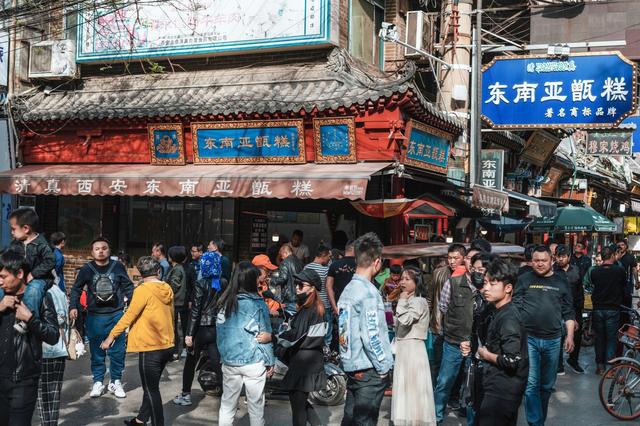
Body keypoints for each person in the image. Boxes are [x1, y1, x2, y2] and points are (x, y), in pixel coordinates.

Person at [101, 256, 175, 426]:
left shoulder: (142, 290)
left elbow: (129, 315)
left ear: (141, 274)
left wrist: (111, 337)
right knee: (152, 386)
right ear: (158, 272)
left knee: (151, 390)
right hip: (167, 344)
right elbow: (171, 316)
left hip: (150, 347)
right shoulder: (167, 288)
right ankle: (140, 420)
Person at [513, 245, 575, 426]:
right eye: (536, 260)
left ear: (552, 261)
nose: (539, 264)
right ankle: (536, 423)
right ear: (531, 261)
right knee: (531, 385)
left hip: (553, 340)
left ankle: (539, 419)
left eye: (543, 260)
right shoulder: (523, 279)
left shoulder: (561, 282)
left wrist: (569, 336)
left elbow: (568, 311)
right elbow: (515, 308)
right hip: (528, 339)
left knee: (546, 386)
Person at [338, 232, 393, 426]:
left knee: (351, 419)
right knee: (364, 421)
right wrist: (383, 366)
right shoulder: (369, 293)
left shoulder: (348, 289)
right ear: (377, 262)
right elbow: (372, 335)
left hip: (352, 365)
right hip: (368, 368)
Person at [69, 237, 134, 399]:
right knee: (97, 352)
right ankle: (98, 381)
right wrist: (73, 307)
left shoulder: (118, 267)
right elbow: (76, 289)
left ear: (109, 251)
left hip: (116, 315)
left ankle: (116, 381)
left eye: (104, 248)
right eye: (97, 248)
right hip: (94, 317)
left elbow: (128, 287)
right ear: (92, 252)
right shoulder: (86, 269)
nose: (101, 251)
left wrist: (133, 309)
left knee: (117, 352)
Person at [0, 249, 59, 426]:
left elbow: (53, 336)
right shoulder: (1, 299)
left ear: (19, 274)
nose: (0, 282)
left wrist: (31, 319)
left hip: (23, 381)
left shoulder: (41, 298)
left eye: (3, 276)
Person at [216, 262, 274, 426]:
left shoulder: (224, 302)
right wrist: (270, 361)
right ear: (250, 280)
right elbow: (265, 335)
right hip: (253, 361)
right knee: (256, 407)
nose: (259, 281)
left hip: (229, 361)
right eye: (257, 278)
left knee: (228, 405)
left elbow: (220, 335)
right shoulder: (258, 303)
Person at [476, 259, 528, 426]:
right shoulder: (496, 310)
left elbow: (512, 360)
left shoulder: (509, 318)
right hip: (497, 385)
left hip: (502, 390)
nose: (486, 288)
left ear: (508, 288)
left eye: (493, 284)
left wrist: (485, 354)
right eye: (485, 283)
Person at [434, 247, 482, 424]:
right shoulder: (453, 283)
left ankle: (470, 418)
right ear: (466, 261)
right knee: (444, 381)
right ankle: (437, 416)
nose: (472, 263)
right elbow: (443, 307)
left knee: (471, 386)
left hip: (476, 346)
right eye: (469, 259)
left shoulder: (487, 286)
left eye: (476, 260)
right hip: (453, 342)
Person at [274, 269, 327, 426]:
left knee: (298, 406)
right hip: (305, 360)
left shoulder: (312, 309)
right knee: (300, 403)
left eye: (301, 285)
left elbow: (297, 337)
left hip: (305, 363)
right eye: (296, 284)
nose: (297, 287)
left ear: (312, 288)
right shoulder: (309, 308)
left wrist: (273, 337)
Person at [174, 250, 225, 406]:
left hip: (201, 330)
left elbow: (196, 310)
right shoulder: (223, 283)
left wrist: (189, 334)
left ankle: (185, 395)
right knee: (218, 364)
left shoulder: (200, 283)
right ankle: (229, 397)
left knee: (190, 361)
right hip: (216, 328)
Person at [391, 266, 436, 426]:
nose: (402, 282)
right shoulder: (409, 300)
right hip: (405, 348)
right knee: (406, 388)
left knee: (413, 389)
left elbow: (406, 320)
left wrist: (402, 300)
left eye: (407, 279)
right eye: (402, 278)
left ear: (417, 282)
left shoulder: (418, 301)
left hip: (413, 349)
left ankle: (415, 421)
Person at [6, 208, 55, 332]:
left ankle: (27, 320)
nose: (11, 232)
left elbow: (50, 261)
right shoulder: (15, 244)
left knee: (33, 290)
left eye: (13, 229)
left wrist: (34, 273)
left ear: (26, 229)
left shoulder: (41, 244)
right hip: (21, 277)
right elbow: (9, 258)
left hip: (40, 279)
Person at [428, 243, 466, 388]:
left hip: (458, 328)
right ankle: (436, 393)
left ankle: (453, 396)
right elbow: (430, 299)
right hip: (439, 325)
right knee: (437, 362)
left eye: (456, 258)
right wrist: (429, 321)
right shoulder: (438, 273)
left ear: (463, 258)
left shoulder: (466, 274)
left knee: (456, 365)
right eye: (450, 258)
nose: (452, 261)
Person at [37, 282, 69, 426]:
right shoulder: (58, 290)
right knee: (54, 394)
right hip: (60, 347)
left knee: (43, 395)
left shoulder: (42, 291)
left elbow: (60, 317)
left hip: (46, 348)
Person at [590, 246, 626, 374]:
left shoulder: (595, 272)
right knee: (611, 339)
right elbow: (623, 286)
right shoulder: (620, 271)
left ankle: (600, 367)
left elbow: (593, 284)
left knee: (599, 338)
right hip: (613, 309)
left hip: (598, 308)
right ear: (612, 256)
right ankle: (610, 369)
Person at [554, 244, 584, 374]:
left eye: (563, 256)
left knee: (576, 337)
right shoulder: (552, 271)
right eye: (558, 256)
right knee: (558, 338)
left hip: (575, 309)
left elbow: (579, 292)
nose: (560, 259)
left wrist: (578, 313)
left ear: (569, 257)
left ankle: (573, 361)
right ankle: (558, 365)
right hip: (557, 310)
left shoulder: (576, 270)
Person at [302, 243, 332, 348]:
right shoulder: (326, 269)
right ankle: (326, 351)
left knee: (312, 329)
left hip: (310, 303)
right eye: (329, 257)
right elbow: (328, 287)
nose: (329, 259)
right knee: (327, 331)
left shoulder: (306, 267)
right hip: (324, 304)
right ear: (323, 256)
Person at [166, 246, 188, 361]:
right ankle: (175, 351)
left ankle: (174, 352)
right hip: (179, 302)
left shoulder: (177, 269)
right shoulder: (178, 268)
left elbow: (173, 286)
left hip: (176, 302)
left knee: (173, 327)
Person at [272, 244, 303, 316]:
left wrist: (272, 280)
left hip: (289, 297)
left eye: (282, 256)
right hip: (299, 295)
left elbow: (283, 278)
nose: (282, 258)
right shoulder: (300, 262)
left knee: (288, 320)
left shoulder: (285, 262)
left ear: (285, 253)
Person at [326, 240, 356, 317]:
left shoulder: (334, 265)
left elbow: (328, 286)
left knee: (343, 329)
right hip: (357, 307)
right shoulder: (360, 265)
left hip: (340, 307)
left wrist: (334, 307)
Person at [616, 240, 638, 322]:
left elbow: (634, 269)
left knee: (626, 306)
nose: (621, 246)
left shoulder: (630, 257)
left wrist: (637, 281)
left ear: (626, 246)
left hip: (627, 286)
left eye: (622, 245)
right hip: (615, 286)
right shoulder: (614, 256)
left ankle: (625, 325)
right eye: (619, 245)